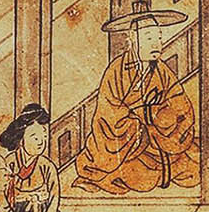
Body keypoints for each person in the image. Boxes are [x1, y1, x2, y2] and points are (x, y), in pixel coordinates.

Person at [72, 10, 199, 193]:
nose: (156, 44)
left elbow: (180, 102)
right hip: (128, 143)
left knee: (194, 168)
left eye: (159, 37)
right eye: (149, 38)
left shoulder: (162, 71)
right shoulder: (116, 71)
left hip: (158, 142)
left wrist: (159, 117)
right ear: (133, 39)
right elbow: (109, 113)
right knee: (137, 176)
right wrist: (140, 119)